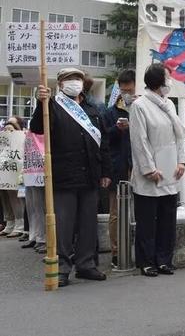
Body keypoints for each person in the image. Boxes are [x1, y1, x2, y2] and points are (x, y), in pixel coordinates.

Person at [31, 67, 112, 287]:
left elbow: (103, 143)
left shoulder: (93, 108)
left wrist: (106, 172)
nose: (73, 82)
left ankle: (86, 265)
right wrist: (41, 103)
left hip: (91, 175)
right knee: (64, 226)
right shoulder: (53, 106)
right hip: (64, 175)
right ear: (60, 83)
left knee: (88, 224)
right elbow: (37, 128)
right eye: (68, 79)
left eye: (77, 78)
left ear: (83, 82)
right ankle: (62, 268)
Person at [129, 63, 185, 277]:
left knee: (167, 219)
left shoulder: (169, 104)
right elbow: (139, 140)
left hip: (171, 168)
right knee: (147, 220)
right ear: (157, 81)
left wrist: (182, 162)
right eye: (167, 77)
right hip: (151, 172)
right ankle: (146, 261)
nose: (170, 81)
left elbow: (179, 136)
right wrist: (149, 169)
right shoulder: (140, 105)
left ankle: (164, 259)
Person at [104, 69, 136, 268]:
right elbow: (104, 138)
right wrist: (117, 129)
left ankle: (139, 250)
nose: (126, 94)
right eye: (123, 90)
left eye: (130, 90)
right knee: (116, 213)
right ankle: (117, 252)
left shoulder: (144, 106)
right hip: (119, 167)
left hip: (140, 165)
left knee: (140, 210)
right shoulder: (110, 112)